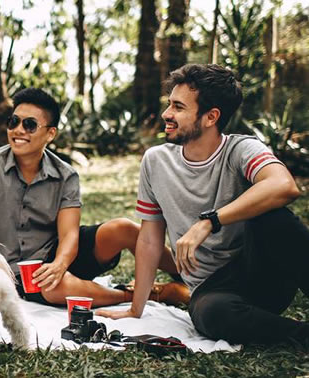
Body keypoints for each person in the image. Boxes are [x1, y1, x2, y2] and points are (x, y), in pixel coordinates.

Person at [97, 63, 309, 345]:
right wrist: (137, 308)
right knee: (210, 314)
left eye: (178, 107)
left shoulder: (241, 149)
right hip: (212, 291)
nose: (166, 114)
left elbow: (284, 186)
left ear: (211, 117)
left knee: (275, 218)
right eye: (169, 104)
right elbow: (149, 239)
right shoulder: (156, 161)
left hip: (260, 273)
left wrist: (209, 221)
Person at [0, 87, 189, 307]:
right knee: (53, 287)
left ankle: (189, 277)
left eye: (29, 125)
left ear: (50, 133)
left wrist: (59, 264)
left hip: (64, 252)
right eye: (13, 122)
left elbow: (69, 234)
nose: (18, 130)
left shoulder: (65, 175)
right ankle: (150, 294)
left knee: (124, 228)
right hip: (22, 271)